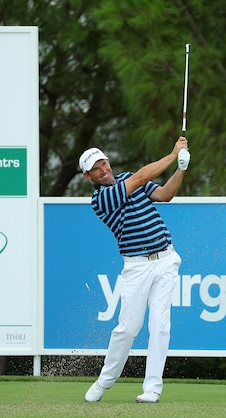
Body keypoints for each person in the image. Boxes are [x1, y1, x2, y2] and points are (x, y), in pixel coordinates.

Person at [79, 137, 191, 403]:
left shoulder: (127, 177)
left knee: (160, 326)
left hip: (166, 260)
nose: (103, 169)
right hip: (136, 267)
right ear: (88, 176)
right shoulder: (101, 199)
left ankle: (152, 388)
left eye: (103, 163)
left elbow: (165, 195)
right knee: (127, 328)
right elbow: (141, 178)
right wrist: (173, 154)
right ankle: (105, 380)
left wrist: (181, 169)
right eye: (96, 168)